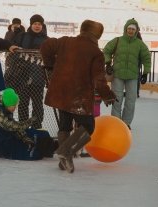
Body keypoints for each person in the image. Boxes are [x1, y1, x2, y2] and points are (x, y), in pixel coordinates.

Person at [40, 20, 117, 173]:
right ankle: (66, 152)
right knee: (88, 126)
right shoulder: (96, 53)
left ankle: (64, 161)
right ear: (97, 35)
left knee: (65, 125)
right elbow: (99, 80)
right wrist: (108, 95)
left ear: (82, 30)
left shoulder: (65, 41)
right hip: (79, 96)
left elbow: (45, 46)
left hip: (61, 91)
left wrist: (50, 65)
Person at [103, 18, 151, 129]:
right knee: (117, 99)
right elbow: (106, 51)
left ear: (136, 31)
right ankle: (116, 122)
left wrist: (145, 73)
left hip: (132, 77)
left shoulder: (140, 44)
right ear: (125, 29)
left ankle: (125, 123)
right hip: (118, 75)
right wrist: (108, 63)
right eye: (129, 28)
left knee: (131, 100)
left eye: (133, 29)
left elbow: (147, 59)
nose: (130, 31)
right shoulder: (117, 40)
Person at [8, 14, 48, 129]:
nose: (37, 26)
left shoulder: (46, 39)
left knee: (37, 103)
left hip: (38, 77)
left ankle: (36, 125)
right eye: (35, 23)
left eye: (39, 24)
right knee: (23, 102)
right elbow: (11, 45)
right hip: (22, 75)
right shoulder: (22, 36)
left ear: (42, 25)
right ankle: (23, 125)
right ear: (31, 25)